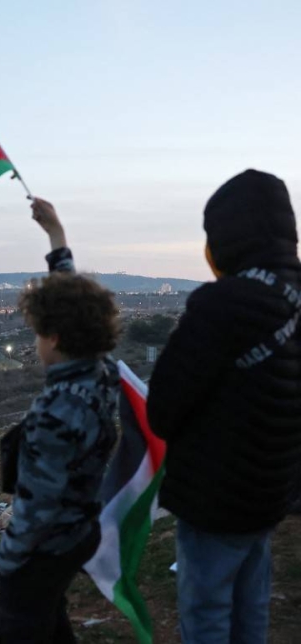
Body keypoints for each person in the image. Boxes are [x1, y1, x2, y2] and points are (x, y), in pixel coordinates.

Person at [146, 169, 301, 643]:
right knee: (252, 603)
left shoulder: (221, 305)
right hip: (272, 492)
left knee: (208, 608)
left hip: (215, 498)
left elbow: (163, 410)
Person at [0, 198, 121, 643]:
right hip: (81, 531)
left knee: (22, 628)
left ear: (56, 338)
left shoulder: (57, 410)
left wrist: (8, 560)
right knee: (50, 622)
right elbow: (73, 303)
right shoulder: (102, 371)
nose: (34, 343)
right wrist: (56, 237)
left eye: (38, 332)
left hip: (46, 547)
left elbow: (36, 506)